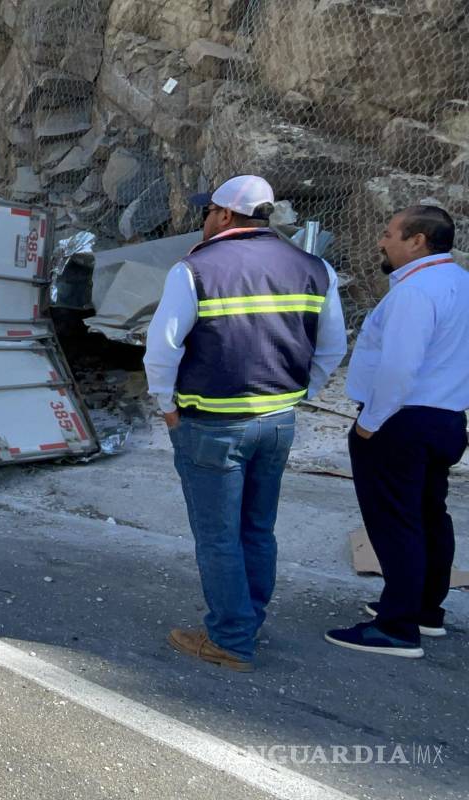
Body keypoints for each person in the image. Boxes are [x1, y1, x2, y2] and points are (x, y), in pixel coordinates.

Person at [144, 175, 347, 672]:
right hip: (277, 422)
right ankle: (247, 621)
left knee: (218, 536)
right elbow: (333, 347)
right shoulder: (315, 268)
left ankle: (231, 640)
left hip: (212, 425)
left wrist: (167, 407)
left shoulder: (194, 269)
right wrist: (301, 394)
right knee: (257, 528)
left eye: (207, 212)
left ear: (224, 215)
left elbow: (162, 350)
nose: (205, 221)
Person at [326, 206, 469, 658]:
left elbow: (399, 368)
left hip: (400, 421)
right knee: (428, 515)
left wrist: (370, 423)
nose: (381, 241)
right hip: (445, 418)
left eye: (389, 233)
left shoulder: (416, 291)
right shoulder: (460, 282)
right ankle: (423, 609)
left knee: (395, 522)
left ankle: (396, 627)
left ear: (418, 240)